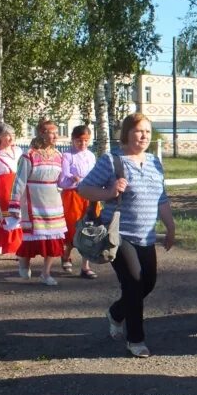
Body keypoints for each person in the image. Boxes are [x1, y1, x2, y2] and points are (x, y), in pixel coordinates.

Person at [79, 113, 176, 358]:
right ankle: (136, 340)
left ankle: (116, 312)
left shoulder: (154, 162)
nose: (144, 136)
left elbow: (161, 198)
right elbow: (84, 188)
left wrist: (171, 227)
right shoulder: (112, 160)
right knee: (133, 284)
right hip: (119, 234)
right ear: (127, 133)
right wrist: (110, 191)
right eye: (139, 131)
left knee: (148, 283)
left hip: (147, 235)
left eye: (147, 132)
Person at [7, 120, 66, 286]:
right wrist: (14, 204)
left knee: (54, 239)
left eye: (57, 132)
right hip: (33, 202)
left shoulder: (59, 156)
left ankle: (45, 274)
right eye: (51, 132)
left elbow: (62, 180)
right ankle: (24, 263)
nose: (55, 136)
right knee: (30, 237)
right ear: (41, 133)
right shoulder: (29, 156)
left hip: (53, 202)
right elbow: (19, 181)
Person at [59, 125, 98, 279]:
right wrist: (74, 179)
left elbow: (96, 174)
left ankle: (85, 266)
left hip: (89, 195)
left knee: (90, 227)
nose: (82, 144)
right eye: (79, 141)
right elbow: (62, 178)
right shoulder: (67, 155)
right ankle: (66, 254)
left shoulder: (91, 155)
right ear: (73, 140)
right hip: (73, 195)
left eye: (86, 141)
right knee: (73, 227)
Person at [0, 123, 23, 255]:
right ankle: (12, 247)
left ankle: (8, 246)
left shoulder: (18, 151)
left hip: (19, 187)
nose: (11, 138)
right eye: (8, 136)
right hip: (4, 190)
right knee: (9, 218)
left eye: (13, 135)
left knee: (21, 217)